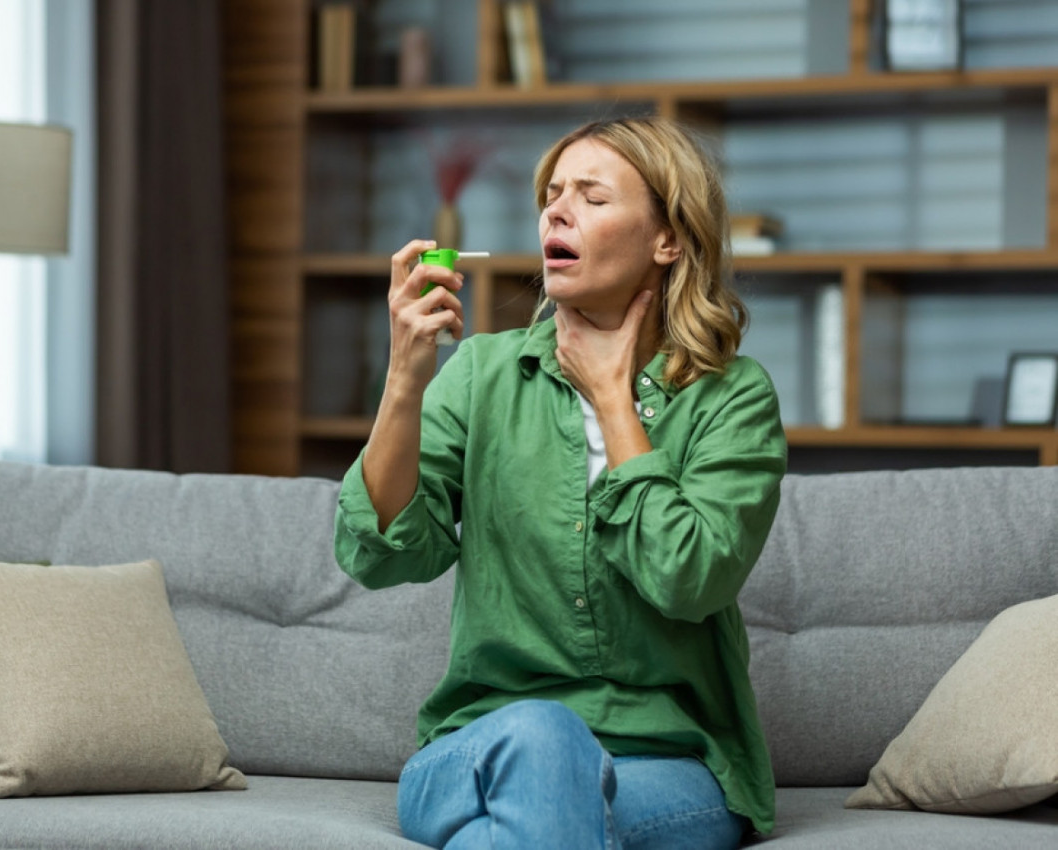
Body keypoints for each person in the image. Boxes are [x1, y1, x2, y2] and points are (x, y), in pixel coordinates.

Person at [333, 116, 786, 849]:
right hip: (480, 749)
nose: (556, 209)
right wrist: (404, 382)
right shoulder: (480, 373)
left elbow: (690, 579)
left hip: (662, 762)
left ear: (666, 238)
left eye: (591, 196)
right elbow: (382, 556)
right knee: (541, 736)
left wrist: (612, 401)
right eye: (551, 195)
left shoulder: (731, 398)